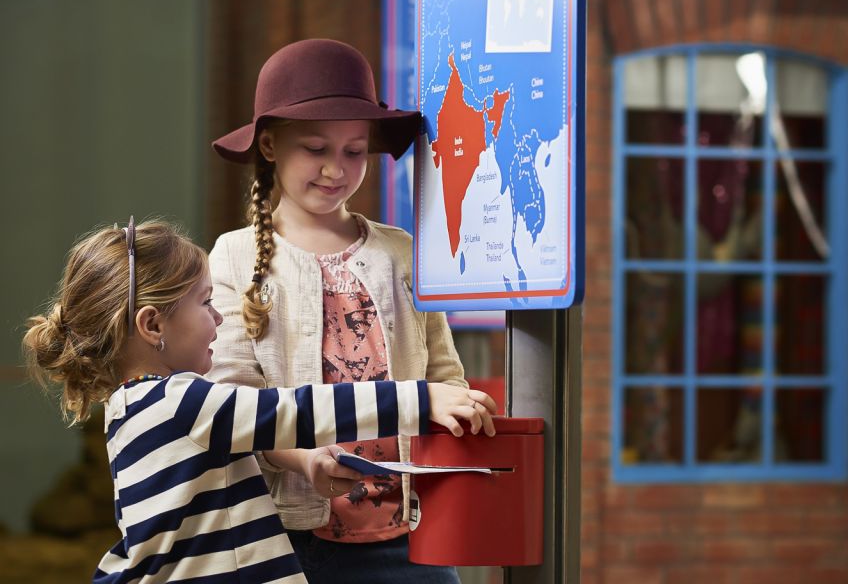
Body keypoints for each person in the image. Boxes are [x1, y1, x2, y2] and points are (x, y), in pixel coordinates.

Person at [22, 219, 495, 583]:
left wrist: (308, 466)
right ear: (152, 326)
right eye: (206, 304)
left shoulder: (131, 409)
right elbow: (296, 412)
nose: (220, 320)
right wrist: (420, 398)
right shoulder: (181, 404)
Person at [207, 38, 475, 582]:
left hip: (412, 534)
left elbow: (443, 375)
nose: (336, 169)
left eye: (354, 152)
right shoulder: (234, 256)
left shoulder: (402, 251)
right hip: (290, 538)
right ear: (268, 146)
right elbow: (235, 401)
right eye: (316, 148)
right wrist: (305, 460)